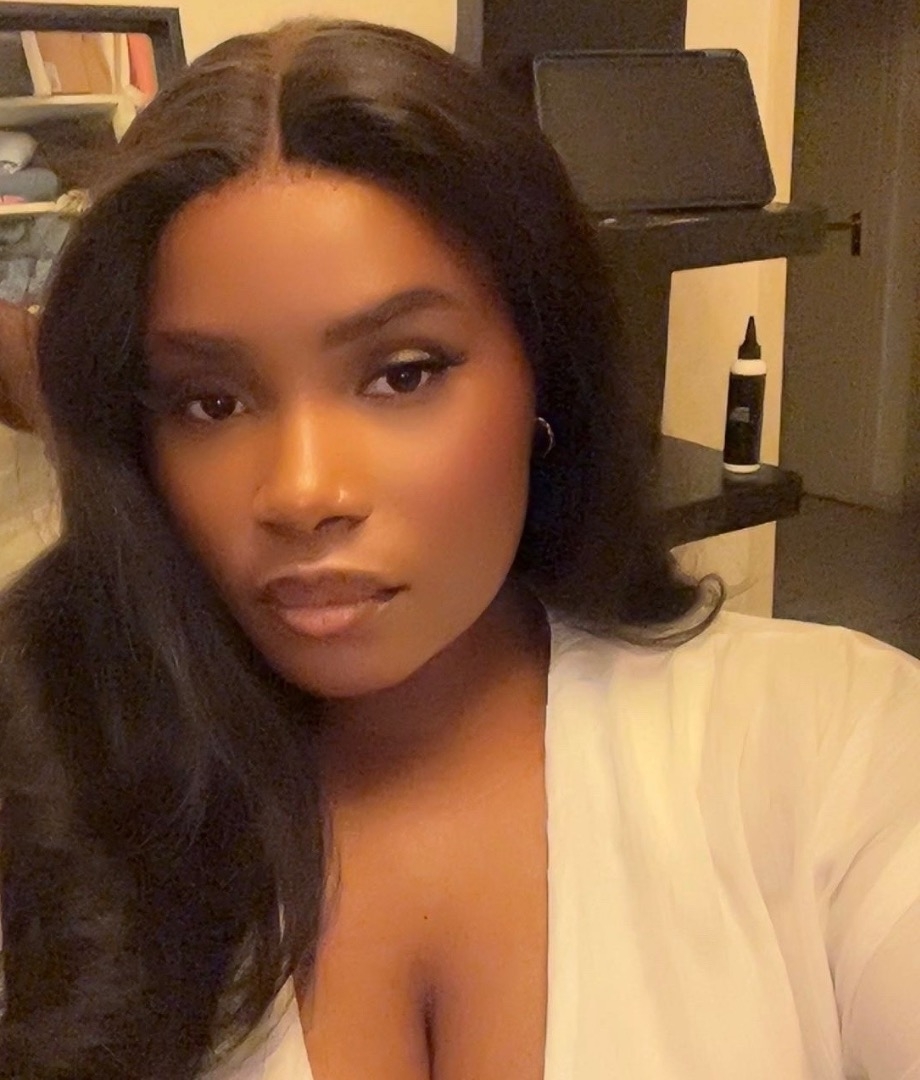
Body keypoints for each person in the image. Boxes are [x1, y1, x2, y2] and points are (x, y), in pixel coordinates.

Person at [0, 18, 917, 1080]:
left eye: (402, 374)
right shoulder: (49, 786)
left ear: (542, 371)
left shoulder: (833, 747)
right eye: (212, 401)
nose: (303, 491)